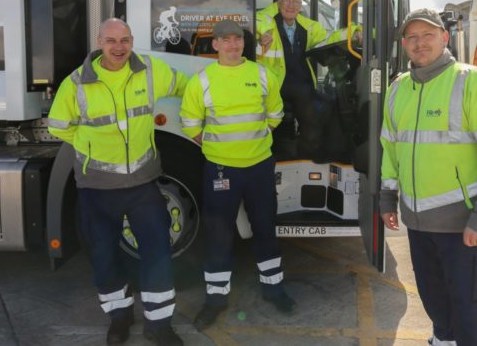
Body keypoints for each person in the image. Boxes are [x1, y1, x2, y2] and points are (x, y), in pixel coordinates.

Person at [47, 18, 188, 346]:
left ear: (131, 40)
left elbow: (185, 87)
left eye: (124, 40)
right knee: (105, 256)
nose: (119, 47)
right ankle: (120, 318)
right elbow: (58, 125)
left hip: (143, 184)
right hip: (97, 188)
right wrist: (91, 143)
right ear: (99, 42)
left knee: (157, 254)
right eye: (111, 41)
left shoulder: (150, 72)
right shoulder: (78, 83)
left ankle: (159, 324)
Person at [379, 8, 477, 346]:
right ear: (404, 44)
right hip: (418, 226)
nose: (419, 43)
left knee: (473, 314)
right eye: (412, 37)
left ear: (444, 37)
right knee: (436, 304)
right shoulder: (398, 89)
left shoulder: (473, 81)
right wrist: (387, 197)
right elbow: (391, 150)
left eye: (427, 35)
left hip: (463, 227)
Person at [179, 19, 295, 331]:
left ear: (243, 44)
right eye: (225, 40)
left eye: (237, 40)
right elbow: (190, 125)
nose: (233, 45)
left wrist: (254, 141)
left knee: (265, 228)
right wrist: (221, 148)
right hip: (220, 169)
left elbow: (276, 113)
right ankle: (215, 299)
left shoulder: (261, 74)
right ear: (214, 45)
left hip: (258, 167)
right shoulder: (201, 81)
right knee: (219, 236)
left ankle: (274, 289)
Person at [256, 0, 360, 160]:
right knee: (267, 132)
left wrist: (355, 33)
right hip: (273, 88)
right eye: (287, 1)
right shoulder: (262, 21)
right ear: (279, 2)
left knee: (324, 113)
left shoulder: (307, 27)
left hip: (302, 88)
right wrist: (260, 43)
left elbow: (329, 39)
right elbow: (250, 44)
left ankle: (306, 162)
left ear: (300, 6)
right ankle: (269, 163)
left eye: (296, 2)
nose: (291, 6)